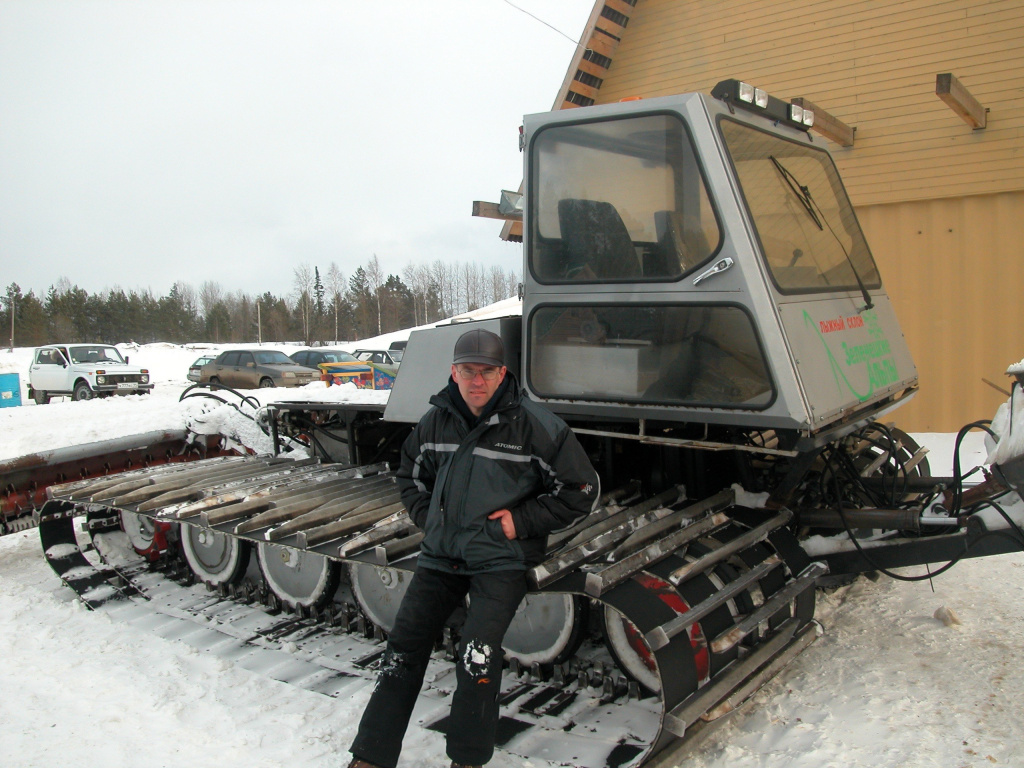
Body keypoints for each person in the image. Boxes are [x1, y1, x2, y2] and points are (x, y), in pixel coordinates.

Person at [348, 328, 600, 768]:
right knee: (402, 650)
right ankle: (370, 757)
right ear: (454, 371)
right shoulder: (436, 419)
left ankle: (466, 761)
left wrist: (520, 522)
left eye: (487, 371)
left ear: (503, 373)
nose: (477, 381)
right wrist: (431, 518)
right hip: (442, 556)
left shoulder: (535, 425)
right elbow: (410, 474)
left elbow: (581, 489)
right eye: (468, 371)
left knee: (476, 657)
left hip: (499, 560)